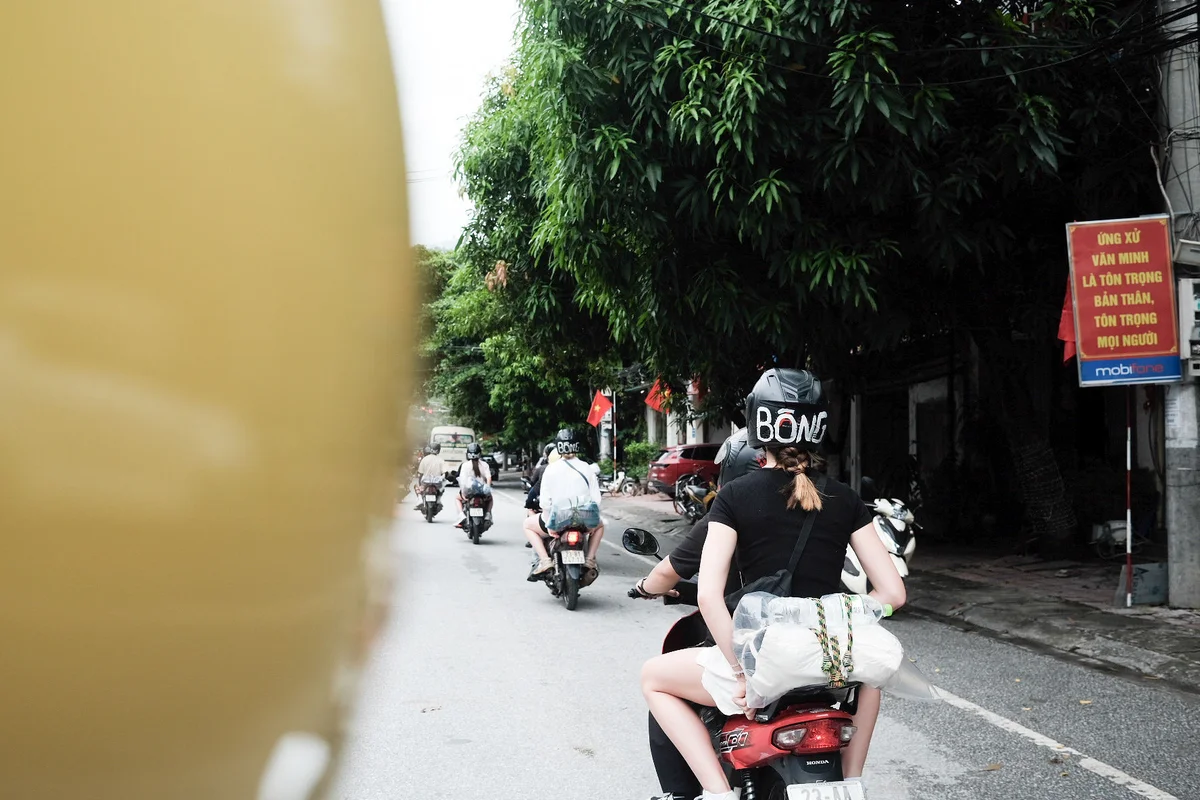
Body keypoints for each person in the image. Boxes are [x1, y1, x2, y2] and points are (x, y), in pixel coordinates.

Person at [638, 369, 906, 800]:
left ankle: (716, 792)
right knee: (869, 678)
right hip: (828, 659)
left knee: (653, 676)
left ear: (757, 424)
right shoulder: (846, 499)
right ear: (817, 426)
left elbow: (708, 596)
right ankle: (852, 782)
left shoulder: (735, 496)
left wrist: (743, 674)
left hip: (766, 660)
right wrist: (845, 614)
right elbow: (893, 595)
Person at [630, 428, 760, 800]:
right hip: (817, 644)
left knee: (659, 680)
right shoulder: (820, 502)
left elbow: (688, 582)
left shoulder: (729, 508)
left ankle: (688, 793)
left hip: (748, 645)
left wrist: (646, 587)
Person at [523, 428, 605, 584]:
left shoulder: (551, 469)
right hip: (584, 518)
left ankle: (545, 561)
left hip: (558, 519)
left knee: (527, 525)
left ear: (558, 447)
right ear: (576, 446)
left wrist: (550, 525)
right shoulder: (586, 468)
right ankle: (589, 560)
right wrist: (593, 522)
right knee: (601, 526)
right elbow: (596, 500)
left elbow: (545, 503)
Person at [454, 442, 493, 526]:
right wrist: (487, 488)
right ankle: (488, 514)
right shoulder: (484, 464)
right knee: (490, 499)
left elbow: (462, 481)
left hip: (468, 492)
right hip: (482, 491)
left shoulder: (465, 465)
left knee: (457, 498)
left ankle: (461, 515)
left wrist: (463, 493)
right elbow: (489, 477)